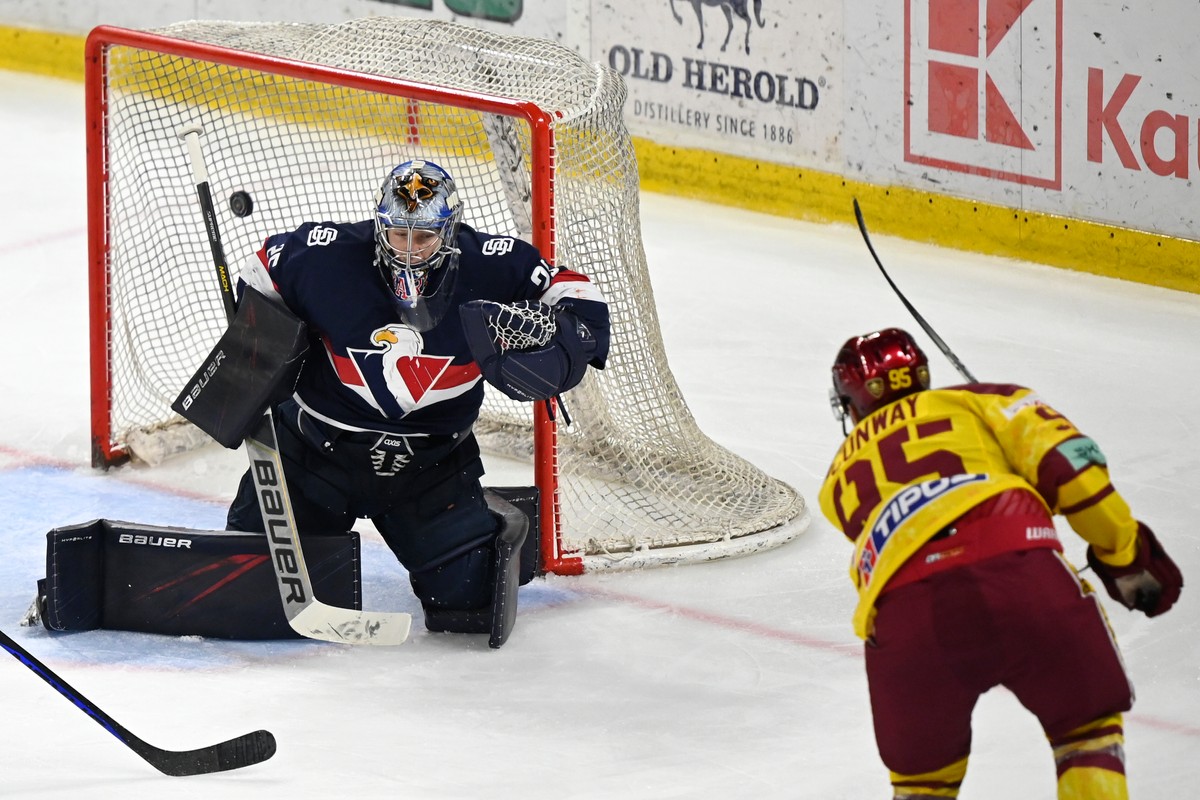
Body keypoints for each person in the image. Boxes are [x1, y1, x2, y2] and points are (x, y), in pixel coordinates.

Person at [224, 159, 610, 641]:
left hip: (432, 469)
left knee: (468, 604)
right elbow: (260, 271)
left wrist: (564, 338)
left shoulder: (493, 262)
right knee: (248, 585)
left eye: (424, 236)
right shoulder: (326, 255)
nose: (409, 251)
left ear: (449, 228)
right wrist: (259, 343)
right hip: (314, 457)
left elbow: (578, 295)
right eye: (397, 235)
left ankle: (496, 519)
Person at [818, 328, 1182, 800]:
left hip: (907, 622)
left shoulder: (835, 483)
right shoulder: (987, 401)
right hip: (1020, 578)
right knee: (1087, 735)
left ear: (853, 400)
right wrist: (1125, 556)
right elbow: (1074, 472)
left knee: (922, 786)